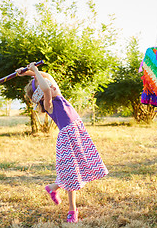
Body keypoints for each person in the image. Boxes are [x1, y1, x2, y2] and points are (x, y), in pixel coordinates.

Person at [16, 62, 109, 223]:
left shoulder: (58, 95)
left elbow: (47, 78)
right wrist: (35, 71)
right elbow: (45, 87)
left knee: (78, 170)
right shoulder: (49, 104)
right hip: (67, 140)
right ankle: (72, 210)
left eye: (51, 84)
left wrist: (26, 73)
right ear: (41, 94)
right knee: (72, 174)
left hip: (78, 136)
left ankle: (53, 188)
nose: (51, 85)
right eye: (46, 85)